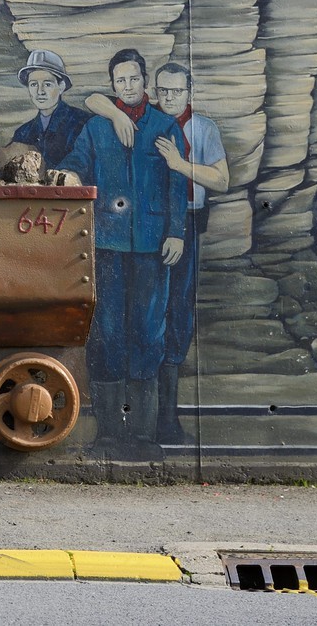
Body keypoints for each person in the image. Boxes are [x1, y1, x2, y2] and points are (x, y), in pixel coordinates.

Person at [86, 61, 228, 445]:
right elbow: (94, 99)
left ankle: (165, 421)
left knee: (173, 318)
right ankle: (132, 426)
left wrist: (179, 165)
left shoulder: (198, 128)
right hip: (142, 235)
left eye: (176, 92)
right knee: (129, 321)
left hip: (183, 226)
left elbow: (220, 179)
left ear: (188, 93)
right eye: (163, 91)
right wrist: (113, 110)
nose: (169, 98)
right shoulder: (134, 120)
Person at [61, 48, 186, 460]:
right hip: (107, 246)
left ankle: (145, 439)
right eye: (120, 81)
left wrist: (177, 233)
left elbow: (177, 186)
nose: (127, 87)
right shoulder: (97, 128)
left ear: (145, 82)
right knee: (108, 334)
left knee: (148, 333)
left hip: (153, 247)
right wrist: (69, 174)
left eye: (134, 79)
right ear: (112, 85)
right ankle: (110, 436)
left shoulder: (166, 125)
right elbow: (75, 164)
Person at [9, 48, 90, 170]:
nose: (40, 91)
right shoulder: (23, 132)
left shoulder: (83, 123)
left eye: (47, 84)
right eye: (33, 84)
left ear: (61, 86)